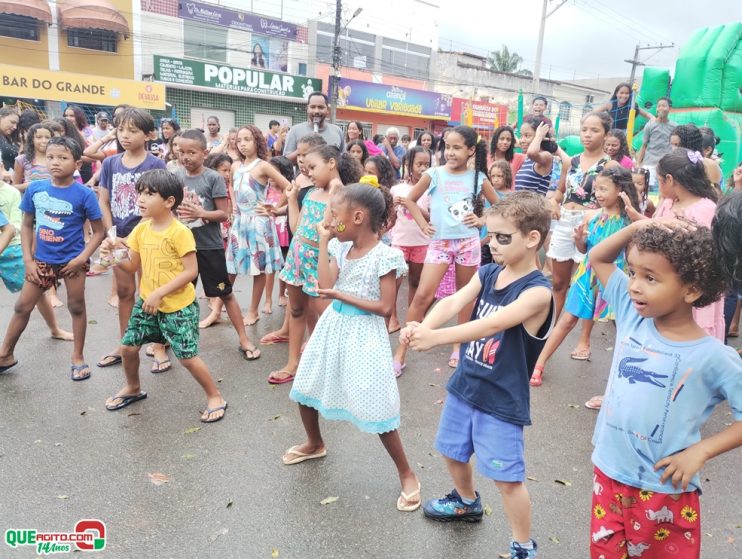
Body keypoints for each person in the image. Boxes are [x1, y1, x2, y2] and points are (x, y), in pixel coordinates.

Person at [401, 192, 554, 559]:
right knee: (452, 453)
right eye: (491, 234)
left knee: (507, 479)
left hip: (501, 399)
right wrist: (421, 324)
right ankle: (467, 502)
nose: (492, 243)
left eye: (503, 237)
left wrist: (434, 337)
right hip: (466, 385)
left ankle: (523, 544)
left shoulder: (537, 293)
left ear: (532, 238)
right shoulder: (488, 273)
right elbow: (454, 302)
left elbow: (492, 322)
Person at [587, 218, 741, 559]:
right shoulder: (631, 315)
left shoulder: (714, 356)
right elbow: (598, 257)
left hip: (663, 491)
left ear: (691, 290)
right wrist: (645, 226)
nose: (634, 286)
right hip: (609, 474)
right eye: (632, 273)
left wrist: (700, 451)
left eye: (650, 278)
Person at [282, 182, 421, 513]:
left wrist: (339, 296)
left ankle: (407, 474)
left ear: (357, 216)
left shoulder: (386, 256)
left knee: (377, 405)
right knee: (305, 387)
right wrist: (323, 241)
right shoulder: (342, 249)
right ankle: (315, 443)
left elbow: (385, 308)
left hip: (365, 335)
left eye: (334, 214)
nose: (329, 220)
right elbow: (325, 286)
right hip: (334, 326)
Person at [101, 170, 228, 423]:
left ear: (169, 201)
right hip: (148, 303)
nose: (141, 199)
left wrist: (159, 293)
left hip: (177, 306)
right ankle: (133, 387)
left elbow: (191, 271)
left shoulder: (179, 232)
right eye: (140, 193)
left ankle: (215, 397)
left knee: (187, 357)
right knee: (127, 348)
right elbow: (131, 265)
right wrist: (112, 256)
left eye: (149, 194)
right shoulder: (141, 229)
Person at [391, 125, 498, 375]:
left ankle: (458, 349)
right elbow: (410, 200)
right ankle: (400, 353)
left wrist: (483, 221)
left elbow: (500, 204)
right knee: (421, 297)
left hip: (467, 244)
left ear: (471, 150)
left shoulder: (478, 178)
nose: (450, 152)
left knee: (465, 298)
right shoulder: (434, 173)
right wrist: (422, 223)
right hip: (439, 244)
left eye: (457, 147)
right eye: (447, 147)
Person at [148, 129, 259, 367]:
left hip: (209, 248)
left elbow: (223, 214)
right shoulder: (175, 177)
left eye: (192, 152)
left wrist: (201, 213)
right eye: (181, 151)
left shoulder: (213, 178)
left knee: (225, 293)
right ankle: (161, 345)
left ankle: (244, 340)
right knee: (170, 295)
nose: (185, 156)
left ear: (204, 153)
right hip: (180, 249)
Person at [0, 137, 105, 379]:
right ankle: (5, 353)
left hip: (73, 262)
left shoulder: (84, 194)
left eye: (63, 157)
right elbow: (26, 225)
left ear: (77, 163)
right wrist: (28, 260)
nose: (55, 162)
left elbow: (98, 231)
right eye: (50, 157)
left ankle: (77, 357)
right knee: (22, 306)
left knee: (76, 306)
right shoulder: (36, 189)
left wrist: (82, 259)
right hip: (41, 260)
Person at [530, 167, 640, 389]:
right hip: (587, 274)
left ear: (620, 189)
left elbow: (630, 253)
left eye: (603, 188)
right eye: (596, 188)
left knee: (625, 327)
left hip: (615, 277)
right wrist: (579, 239)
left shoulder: (629, 220)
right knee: (567, 320)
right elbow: (584, 248)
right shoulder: (591, 215)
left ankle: (623, 381)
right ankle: (538, 364)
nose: (597, 193)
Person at [269, 146, 362, 384]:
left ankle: (334, 366)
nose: (308, 172)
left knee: (329, 316)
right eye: (306, 168)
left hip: (319, 259)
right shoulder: (311, 193)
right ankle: (293, 363)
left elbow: (334, 231)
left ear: (331, 163)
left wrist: (335, 196)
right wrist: (291, 200)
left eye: (313, 167)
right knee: (297, 310)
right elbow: (295, 228)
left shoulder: (342, 194)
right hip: (298, 255)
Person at [95, 108, 167, 369]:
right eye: (121, 129)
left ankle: (158, 345)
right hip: (118, 238)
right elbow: (103, 200)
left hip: (148, 239)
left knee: (152, 292)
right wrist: (111, 233)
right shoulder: (110, 163)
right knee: (125, 292)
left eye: (132, 130)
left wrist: (135, 237)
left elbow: (161, 205)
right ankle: (126, 343)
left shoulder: (156, 165)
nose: (125, 135)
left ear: (148, 134)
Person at [547, 112, 617, 319]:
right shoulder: (571, 162)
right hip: (564, 221)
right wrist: (553, 203)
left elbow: (616, 202)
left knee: (586, 284)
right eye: (584, 130)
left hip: (591, 225)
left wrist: (595, 212)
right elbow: (560, 192)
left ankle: (584, 338)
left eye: (594, 130)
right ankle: (549, 326)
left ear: (606, 134)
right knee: (558, 282)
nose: (588, 135)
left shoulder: (610, 166)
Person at [652, 148, 724, 340]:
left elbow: (707, 253)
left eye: (659, 181)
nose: (658, 186)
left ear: (669, 179)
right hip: (668, 283)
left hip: (693, 287)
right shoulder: (668, 203)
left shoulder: (705, 209)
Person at [224, 125, 290, 328]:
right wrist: (234, 206)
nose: (242, 144)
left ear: (257, 142)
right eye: (239, 140)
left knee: (259, 269)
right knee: (230, 266)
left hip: (259, 223)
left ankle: (253, 310)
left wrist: (276, 209)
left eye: (247, 139)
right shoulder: (235, 166)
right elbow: (231, 186)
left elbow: (289, 187)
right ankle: (219, 307)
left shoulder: (263, 166)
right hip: (240, 223)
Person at [0, 178, 73, 341]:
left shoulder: (11, 192)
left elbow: (13, 228)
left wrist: (28, 256)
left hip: (12, 248)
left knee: (36, 291)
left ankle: (55, 329)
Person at [389, 146, 432, 339]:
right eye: (419, 164)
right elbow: (390, 218)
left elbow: (432, 218)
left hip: (422, 242)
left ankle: (412, 320)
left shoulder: (431, 190)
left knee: (415, 280)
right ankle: (393, 318)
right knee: (394, 282)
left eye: (427, 164)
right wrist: (396, 205)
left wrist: (411, 204)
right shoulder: (397, 188)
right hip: (399, 241)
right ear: (409, 165)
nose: (423, 168)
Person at [283, 93, 345, 162]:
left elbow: (344, 160)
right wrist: (303, 149)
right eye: (312, 107)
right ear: (307, 109)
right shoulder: (295, 130)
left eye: (321, 107)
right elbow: (285, 161)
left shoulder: (337, 131)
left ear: (327, 110)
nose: (316, 111)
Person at [635, 97, 676, 192]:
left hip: (665, 166)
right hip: (649, 164)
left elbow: (675, 146)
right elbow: (644, 145)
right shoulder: (650, 125)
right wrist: (638, 163)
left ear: (670, 108)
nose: (661, 108)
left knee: (661, 191)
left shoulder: (674, 126)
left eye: (663, 106)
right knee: (646, 191)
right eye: (659, 106)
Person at [513, 119, 554, 196]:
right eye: (521, 136)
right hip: (521, 207)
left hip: (535, 207)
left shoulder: (546, 156)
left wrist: (539, 136)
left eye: (527, 136)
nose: (522, 140)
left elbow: (531, 153)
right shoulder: (528, 160)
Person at [12, 122, 54, 192]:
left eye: (47, 137)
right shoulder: (22, 159)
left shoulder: (56, 159)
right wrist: (31, 185)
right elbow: (14, 188)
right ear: (32, 140)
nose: (44, 141)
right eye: (39, 137)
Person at [0, 107, 20, 183]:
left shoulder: (8, 138)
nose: (15, 127)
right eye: (12, 122)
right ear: (1, 118)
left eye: (16, 124)